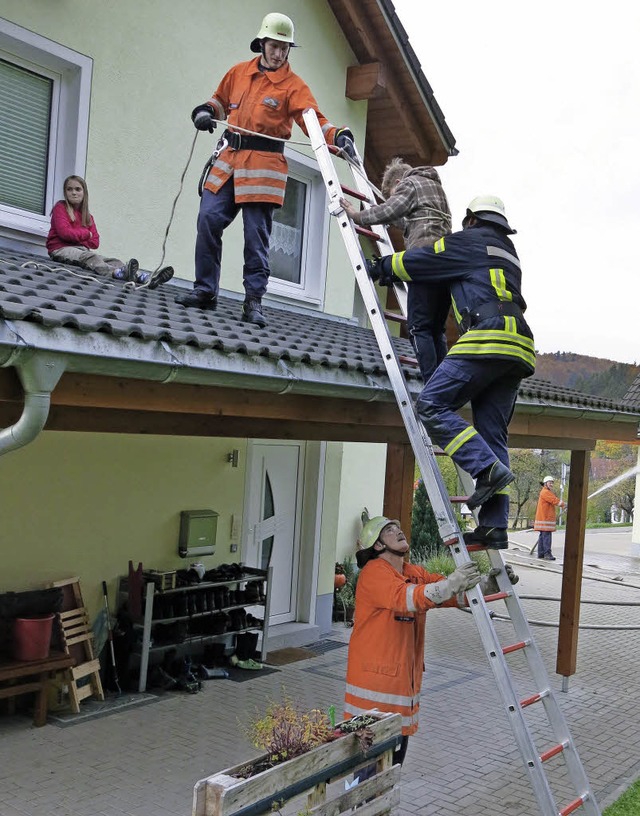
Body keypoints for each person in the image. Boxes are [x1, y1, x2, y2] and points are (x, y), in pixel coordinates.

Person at [367, 195, 536, 550]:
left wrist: (383, 267)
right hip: (519, 346)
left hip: (488, 336)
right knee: (493, 435)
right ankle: (494, 527)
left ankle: (485, 470)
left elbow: (423, 260)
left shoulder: (466, 241)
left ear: (471, 219)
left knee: (431, 405)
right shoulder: (508, 251)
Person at [176, 11, 357, 327]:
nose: (279, 53)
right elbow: (218, 102)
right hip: (228, 161)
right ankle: (205, 291)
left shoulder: (293, 86)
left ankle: (253, 303)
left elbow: (315, 121)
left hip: (264, 170)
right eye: (274, 46)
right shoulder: (238, 73)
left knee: (255, 238)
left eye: (285, 48)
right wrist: (205, 112)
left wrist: (338, 136)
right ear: (262, 43)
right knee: (208, 219)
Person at [344, 516, 517, 769]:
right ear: (378, 546)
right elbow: (410, 598)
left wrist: (487, 586)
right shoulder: (374, 574)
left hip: (398, 695)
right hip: (372, 703)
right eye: (390, 531)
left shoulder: (411, 573)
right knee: (367, 779)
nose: (399, 531)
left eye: (399, 526)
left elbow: (445, 594)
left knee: (390, 772)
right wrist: (451, 584)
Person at [340, 158, 452, 382]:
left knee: (419, 327)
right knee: (436, 330)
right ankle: (444, 383)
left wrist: (357, 216)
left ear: (399, 182)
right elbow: (415, 218)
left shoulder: (409, 184)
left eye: (394, 192)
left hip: (424, 263)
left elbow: (391, 209)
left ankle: (432, 386)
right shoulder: (434, 187)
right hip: (446, 265)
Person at [46, 176, 174, 289]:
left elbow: (95, 242)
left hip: (81, 250)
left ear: (84, 193)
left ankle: (144, 278)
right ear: (65, 192)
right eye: (69, 189)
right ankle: (115, 273)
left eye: (78, 189)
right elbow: (65, 233)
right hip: (60, 249)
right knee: (91, 258)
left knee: (113, 260)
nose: (73, 192)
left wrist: (79, 235)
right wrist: (86, 234)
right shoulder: (60, 207)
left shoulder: (88, 217)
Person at [534, 476, 566, 561]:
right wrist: (564, 504)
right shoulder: (545, 492)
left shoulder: (545, 492)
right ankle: (547, 554)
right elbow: (554, 500)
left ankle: (541, 554)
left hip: (543, 518)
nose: (551, 484)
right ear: (545, 483)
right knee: (546, 536)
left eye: (552, 482)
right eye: (550, 482)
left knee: (542, 536)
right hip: (545, 519)